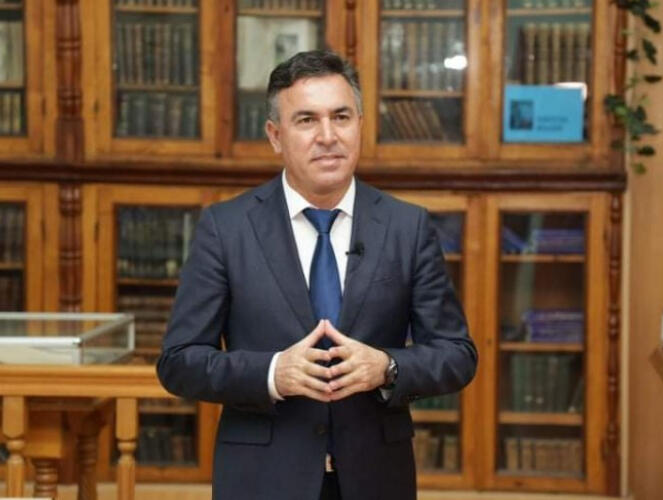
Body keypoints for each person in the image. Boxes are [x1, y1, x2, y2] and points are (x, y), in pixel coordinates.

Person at [156, 50, 477, 500]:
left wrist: (387, 367)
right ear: (275, 136)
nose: (328, 136)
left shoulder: (408, 227)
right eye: (307, 120)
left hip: (375, 478)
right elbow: (178, 362)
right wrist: (272, 373)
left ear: (360, 125)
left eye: (341, 117)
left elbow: (457, 355)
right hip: (262, 480)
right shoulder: (226, 228)